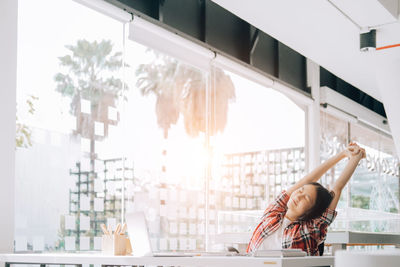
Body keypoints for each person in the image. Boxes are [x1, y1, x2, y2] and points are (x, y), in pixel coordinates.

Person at [246, 142, 366, 256]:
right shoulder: (273, 214)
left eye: (306, 198)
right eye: (300, 190)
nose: (298, 196)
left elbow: (337, 188)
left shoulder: (310, 229)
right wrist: (342, 154)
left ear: (312, 211)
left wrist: (355, 158)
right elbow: (307, 180)